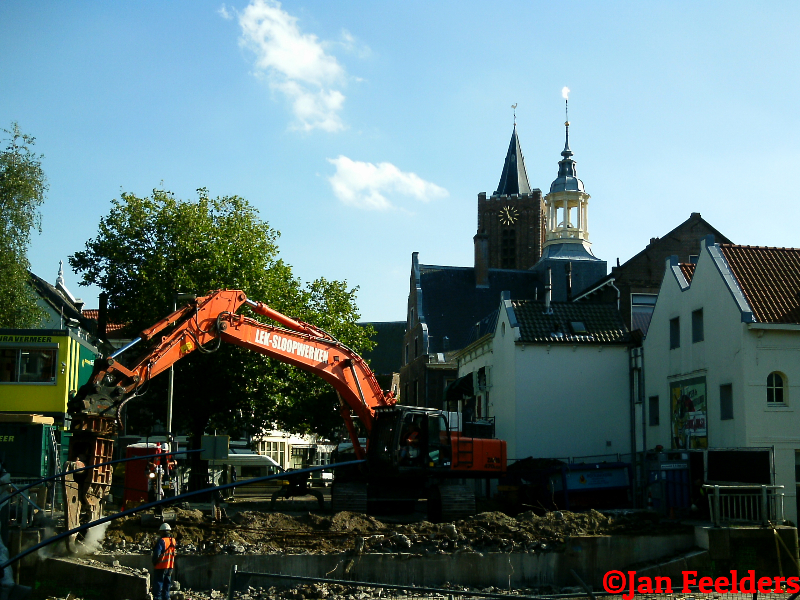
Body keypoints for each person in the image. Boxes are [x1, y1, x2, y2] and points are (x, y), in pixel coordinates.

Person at [152, 522, 177, 600]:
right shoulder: (173, 541)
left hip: (161, 566)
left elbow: (157, 554)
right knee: (167, 585)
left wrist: (154, 562)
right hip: (170, 566)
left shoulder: (162, 541)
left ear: (162, 531)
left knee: (158, 585)